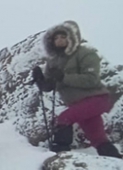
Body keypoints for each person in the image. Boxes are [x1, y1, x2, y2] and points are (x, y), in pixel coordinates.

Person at [32, 20, 121, 158]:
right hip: (78, 104)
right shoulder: (53, 61)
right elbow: (50, 86)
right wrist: (40, 81)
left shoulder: (85, 53)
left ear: (71, 38)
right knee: (98, 139)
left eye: (63, 37)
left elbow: (91, 79)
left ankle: (61, 152)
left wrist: (64, 77)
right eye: (56, 38)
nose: (59, 40)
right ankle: (115, 161)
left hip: (96, 99)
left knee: (64, 119)